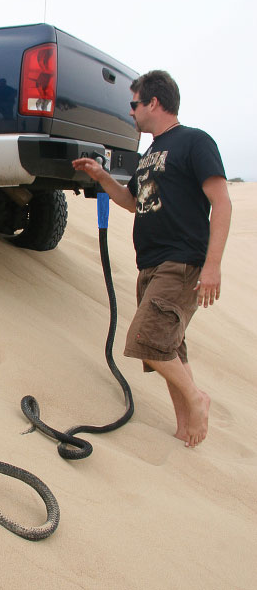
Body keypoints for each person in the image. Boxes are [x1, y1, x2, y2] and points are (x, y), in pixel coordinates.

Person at [72, 70, 231, 449]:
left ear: (154, 103)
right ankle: (183, 430)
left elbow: (221, 202)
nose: (131, 112)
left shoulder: (194, 142)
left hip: (182, 262)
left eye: (134, 104)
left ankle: (198, 399)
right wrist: (101, 176)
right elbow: (131, 202)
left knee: (145, 341)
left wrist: (212, 265)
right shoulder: (149, 156)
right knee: (170, 346)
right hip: (152, 265)